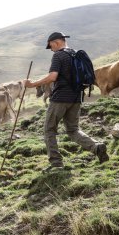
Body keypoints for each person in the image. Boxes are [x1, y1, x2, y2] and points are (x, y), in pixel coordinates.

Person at [24, 32, 109, 171]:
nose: (51, 49)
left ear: (56, 42)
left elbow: (52, 77)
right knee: (73, 130)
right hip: (76, 97)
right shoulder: (75, 54)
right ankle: (96, 147)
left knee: (49, 130)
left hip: (60, 98)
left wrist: (33, 84)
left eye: (51, 46)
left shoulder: (58, 55)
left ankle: (56, 164)